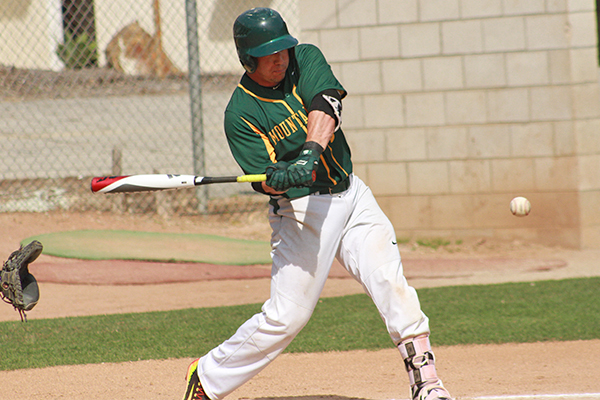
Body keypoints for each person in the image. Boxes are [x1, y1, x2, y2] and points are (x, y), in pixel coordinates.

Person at [182, 7, 453, 400]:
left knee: (390, 284)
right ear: (247, 59)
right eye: (268, 54)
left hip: (351, 194)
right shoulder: (240, 113)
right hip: (301, 215)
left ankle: (428, 384)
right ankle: (206, 377)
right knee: (287, 317)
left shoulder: (305, 58)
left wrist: (308, 155)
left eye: (282, 50)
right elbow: (265, 179)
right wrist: (276, 181)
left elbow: (327, 105)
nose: (279, 58)